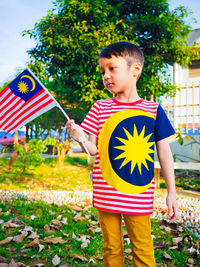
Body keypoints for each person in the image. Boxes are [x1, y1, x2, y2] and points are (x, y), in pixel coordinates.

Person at [66, 41, 179, 267]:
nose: (106, 76)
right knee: (111, 248)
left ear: (135, 70)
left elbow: (164, 153)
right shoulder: (99, 108)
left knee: (143, 247)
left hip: (137, 195)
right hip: (106, 193)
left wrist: (172, 193)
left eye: (112, 68)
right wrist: (79, 137)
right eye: (102, 71)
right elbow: (93, 150)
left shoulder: (153, 110)